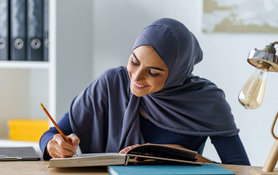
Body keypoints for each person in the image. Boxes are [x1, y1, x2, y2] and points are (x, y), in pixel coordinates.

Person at [39, 18, 250, 165]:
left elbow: (241, 168)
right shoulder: (111, 84)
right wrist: (52, 145)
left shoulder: (207, 101)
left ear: (177, 73)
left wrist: (184, 157)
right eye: (134, 62)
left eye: (153, 72)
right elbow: (53, 134)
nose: (137, 77)